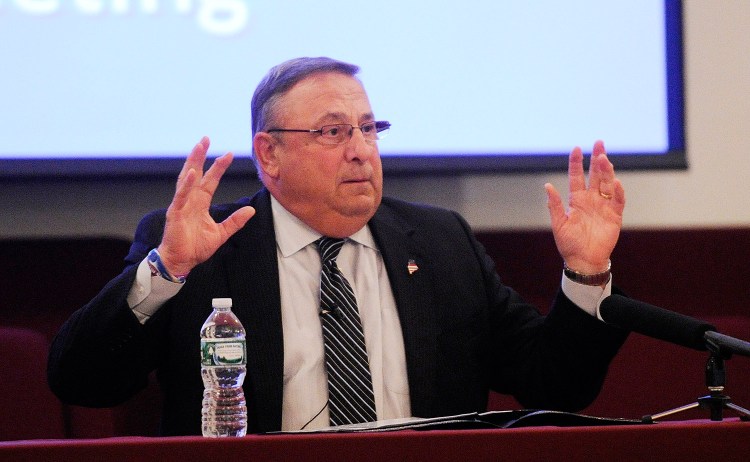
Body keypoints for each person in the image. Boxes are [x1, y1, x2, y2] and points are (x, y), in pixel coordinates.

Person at [48, 57, 628, 436]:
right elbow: (84, 382)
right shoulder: (200, 248)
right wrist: (168, 269)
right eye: (332, 132)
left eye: (369, 129)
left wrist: (586, 271)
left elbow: (556, 388)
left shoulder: (441, 241)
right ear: (269, 154)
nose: (360, 149)